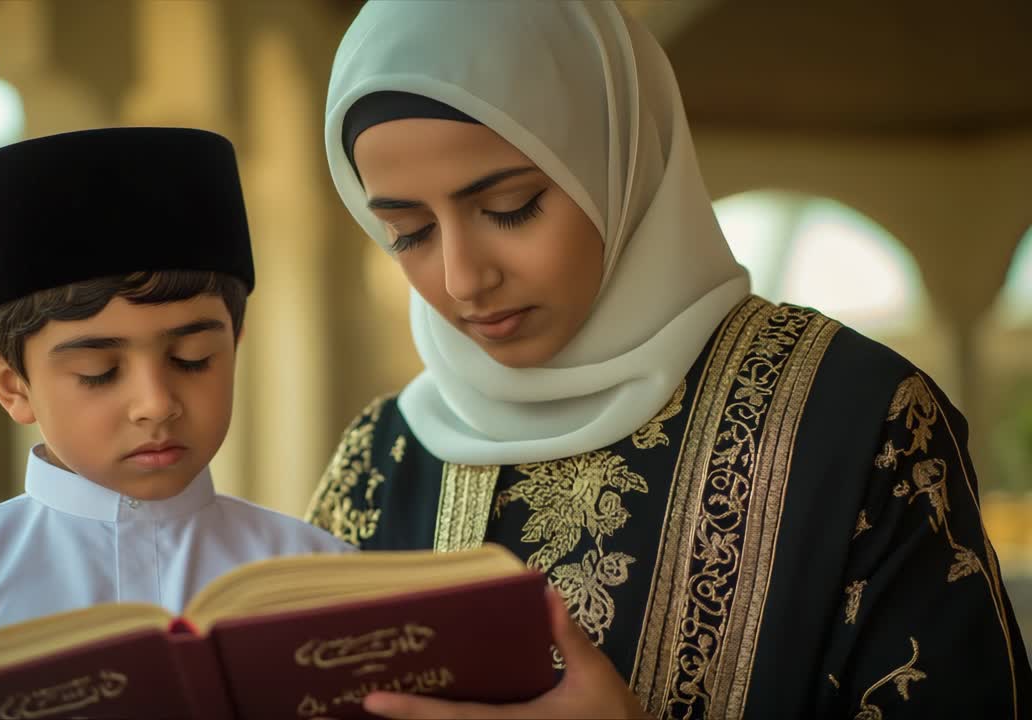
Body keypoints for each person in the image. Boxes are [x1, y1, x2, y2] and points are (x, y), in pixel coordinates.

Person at [305, 2, 1032, 718]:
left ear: (616, 160)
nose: (464, 279)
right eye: (407, 232)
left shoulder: (861, 426)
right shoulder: (379, 461)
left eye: (512, 207)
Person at [0, 127, 351, 719]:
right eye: (98, 371)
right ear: (13, 385)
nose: (155, 403)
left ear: (235, 345)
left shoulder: (324, 576)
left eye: (192, 359)